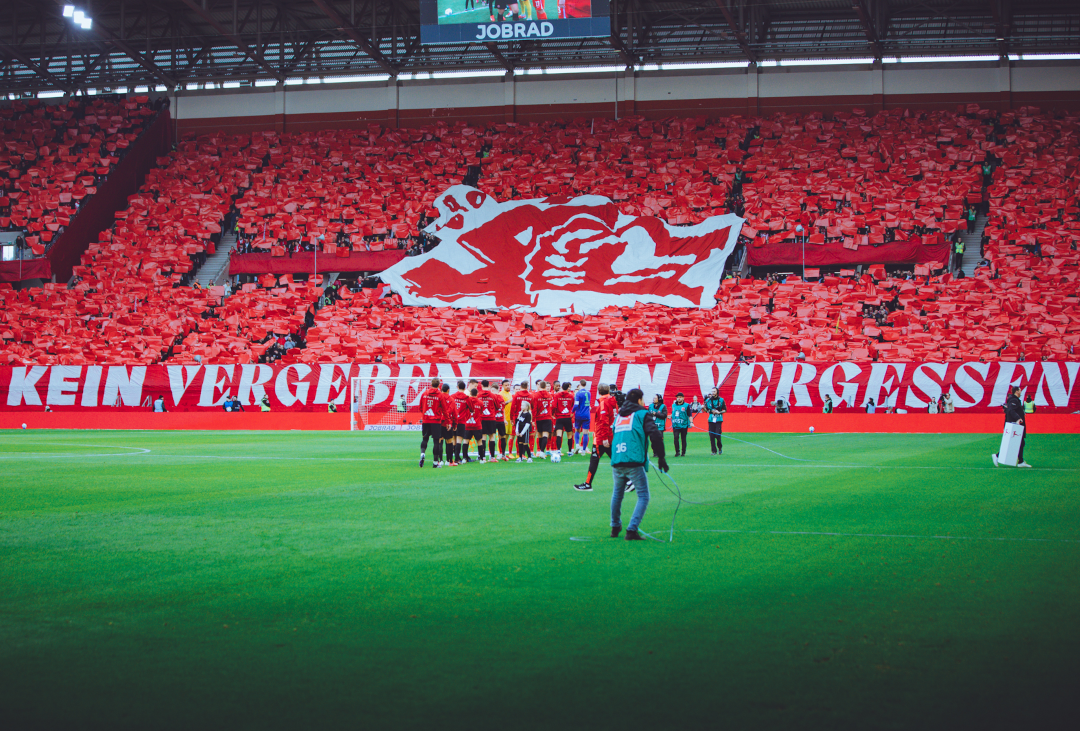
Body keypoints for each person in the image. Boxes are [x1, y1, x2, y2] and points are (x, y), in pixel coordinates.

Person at [609, 388, 668, 541]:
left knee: (617, 494)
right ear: (640, 400)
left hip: (617, 458)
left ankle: (615, 526)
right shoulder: (642, 413)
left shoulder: (619, 416)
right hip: (633, 459)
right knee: (643, 495)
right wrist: (661, 457)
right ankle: (632, 529)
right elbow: (654, 434)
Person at [574, 383, 617, 491]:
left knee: (594, 460)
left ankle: (588, 484)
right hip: (611, 434)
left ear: (598, 392)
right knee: (616, 460)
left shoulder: (603, 403)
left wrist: (604, 438)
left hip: (602, 438)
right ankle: (630, 480)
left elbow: (603, 422)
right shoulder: (613, 401)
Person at [993, 386, 1031, 468]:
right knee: (1012, 443)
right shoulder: (1014, 400)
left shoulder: (1015, 400)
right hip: (1013, 424)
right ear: (1016, 391)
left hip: (1015, 424)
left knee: (1020, 443)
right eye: (1020, 390)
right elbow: (1011, 410)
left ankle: (1020, 461)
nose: (1021, 392)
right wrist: (1018, 418)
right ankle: (997, 456)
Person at [418, 378, 445, 468]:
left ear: (430, 384)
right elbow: (444, 409)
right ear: (439, 385)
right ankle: (435, 462)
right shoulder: (440, 395)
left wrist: (425, 415)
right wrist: (447, 421)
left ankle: (422, 453)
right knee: (436, 442)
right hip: (436, 421)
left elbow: (420, 407)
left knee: (425, 439)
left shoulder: (424, 393)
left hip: (426, 420)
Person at [478, 380, 506, 462]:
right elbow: (498, 406)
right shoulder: (493, 395)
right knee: (492, 437)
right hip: (491, 418)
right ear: (489, 386)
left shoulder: (478, 395)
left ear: (481, 385)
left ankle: (482, 457)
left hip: (482, 418)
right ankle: (492, 457)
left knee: (483, 437)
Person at [553, 381, 575, 456]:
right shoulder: (571, 395)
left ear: (562, 387)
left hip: (559, 417)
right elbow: (573, 405)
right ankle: (570, 451)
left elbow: (554, 405)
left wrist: (553, 414)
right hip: (567, 417)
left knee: (558, 434)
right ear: (568, 388)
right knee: (569, 435)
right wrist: (571, 412)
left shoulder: (557, 395)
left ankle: (558, 450)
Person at [533, 380, 555, 459]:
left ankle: (539, 451)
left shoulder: (536, 395)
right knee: (546, 435)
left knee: (539, 435)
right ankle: (542, 452)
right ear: (546, 386)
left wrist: (533, 419)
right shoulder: (549, 395)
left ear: (539, 386)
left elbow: (534, 408)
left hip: (539, 418)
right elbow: (551, 406)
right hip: (547, 417)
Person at [703, 387, 726, 455]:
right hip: (711, 419)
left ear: (717, 392)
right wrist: (703, 408)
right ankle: (713, 450)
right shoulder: (708, 400)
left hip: (718, 419)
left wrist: (719, 412)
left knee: (717, 434)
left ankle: (719, 447)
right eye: (712, 391)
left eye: (714, 391)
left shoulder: (721, 400)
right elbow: (706, 410)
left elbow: (724, 410)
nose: (713, 393)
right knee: (711, 435)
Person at [573, 379, 591, 455]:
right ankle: (583, 451)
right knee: (585, 432)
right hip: (587, 414)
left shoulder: (578, 393)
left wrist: (572, 411)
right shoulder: (589, 393)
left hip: (579, 414)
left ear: (580, 384)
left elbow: (576, 404)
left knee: (577, 429)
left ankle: (577, 445)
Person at [440, 382, 456, 466]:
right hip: (447, 422)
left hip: (438, 422)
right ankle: (449, 461)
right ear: (448, 390)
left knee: (439, 440)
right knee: (449, 441)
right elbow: (454, 412)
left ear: (441, 389)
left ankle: (439, 460)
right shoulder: (451, 399)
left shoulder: (438, 397)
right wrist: (455, 424)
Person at [670, 393, 690, 457]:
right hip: (675, 425)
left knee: (683, 438)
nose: (679, 398)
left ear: (683, 398)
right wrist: (670, 416)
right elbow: (673, 414)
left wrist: (691, 422)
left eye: (680, 397)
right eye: (678, 397)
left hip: (683, 425)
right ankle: (677, 452)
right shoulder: (673, 405)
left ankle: (683, 452)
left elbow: (689, 415)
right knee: (676, 438)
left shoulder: (686, 405)